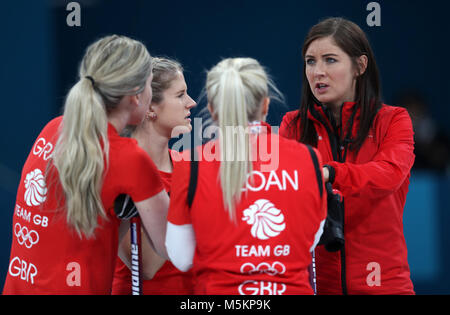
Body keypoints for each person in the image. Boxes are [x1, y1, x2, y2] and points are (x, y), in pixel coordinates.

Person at [3, 35, 170, 294]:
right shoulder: (130, 159)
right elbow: (170, 247)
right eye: (150, 85)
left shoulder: (53, 129)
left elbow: (82, 218)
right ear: (136, 96)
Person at [165, 57, 327, 295]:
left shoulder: (191, 163)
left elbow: (181, 257)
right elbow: (311, 241)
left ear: (212, 110)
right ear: (265, 105)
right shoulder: (309, 158)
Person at [279, 17, 415, 295]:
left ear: (360, 66)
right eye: (310, 61)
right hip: (315, 287)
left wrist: (331, 172)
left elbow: (389, 174)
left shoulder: (393, 119)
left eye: (330, 60)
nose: (318, 72)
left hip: (384, 286)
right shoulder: (292, 125)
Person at [112, 57, 196, 295]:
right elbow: (146, 265)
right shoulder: (121, 168)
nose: (191, 102)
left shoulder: (188, 166)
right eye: (180, 95)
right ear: (149, 106)